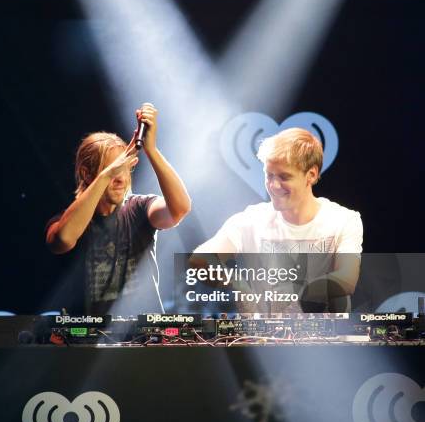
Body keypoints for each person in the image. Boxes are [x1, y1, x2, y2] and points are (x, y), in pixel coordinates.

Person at [191, 127, 363, 312]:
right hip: (264, 339)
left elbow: (347, 277)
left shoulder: (344, 219)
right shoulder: (251, 219)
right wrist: (237, 285)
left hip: (327, 339)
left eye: (284, 177)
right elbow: (199, 260)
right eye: (269, 175)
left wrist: (305, 298)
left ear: (311, 175)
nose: (273, 185)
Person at [46, 103, 191, 316]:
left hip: (146, 338)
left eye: (125, 168)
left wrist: (151, 150)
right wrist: (105, 176)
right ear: (87, 174)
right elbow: (62, 240)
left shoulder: (139, 208)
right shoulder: (70, 220)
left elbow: (179, 209)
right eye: (113, 170)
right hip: (90, 341)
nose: (121, 178)